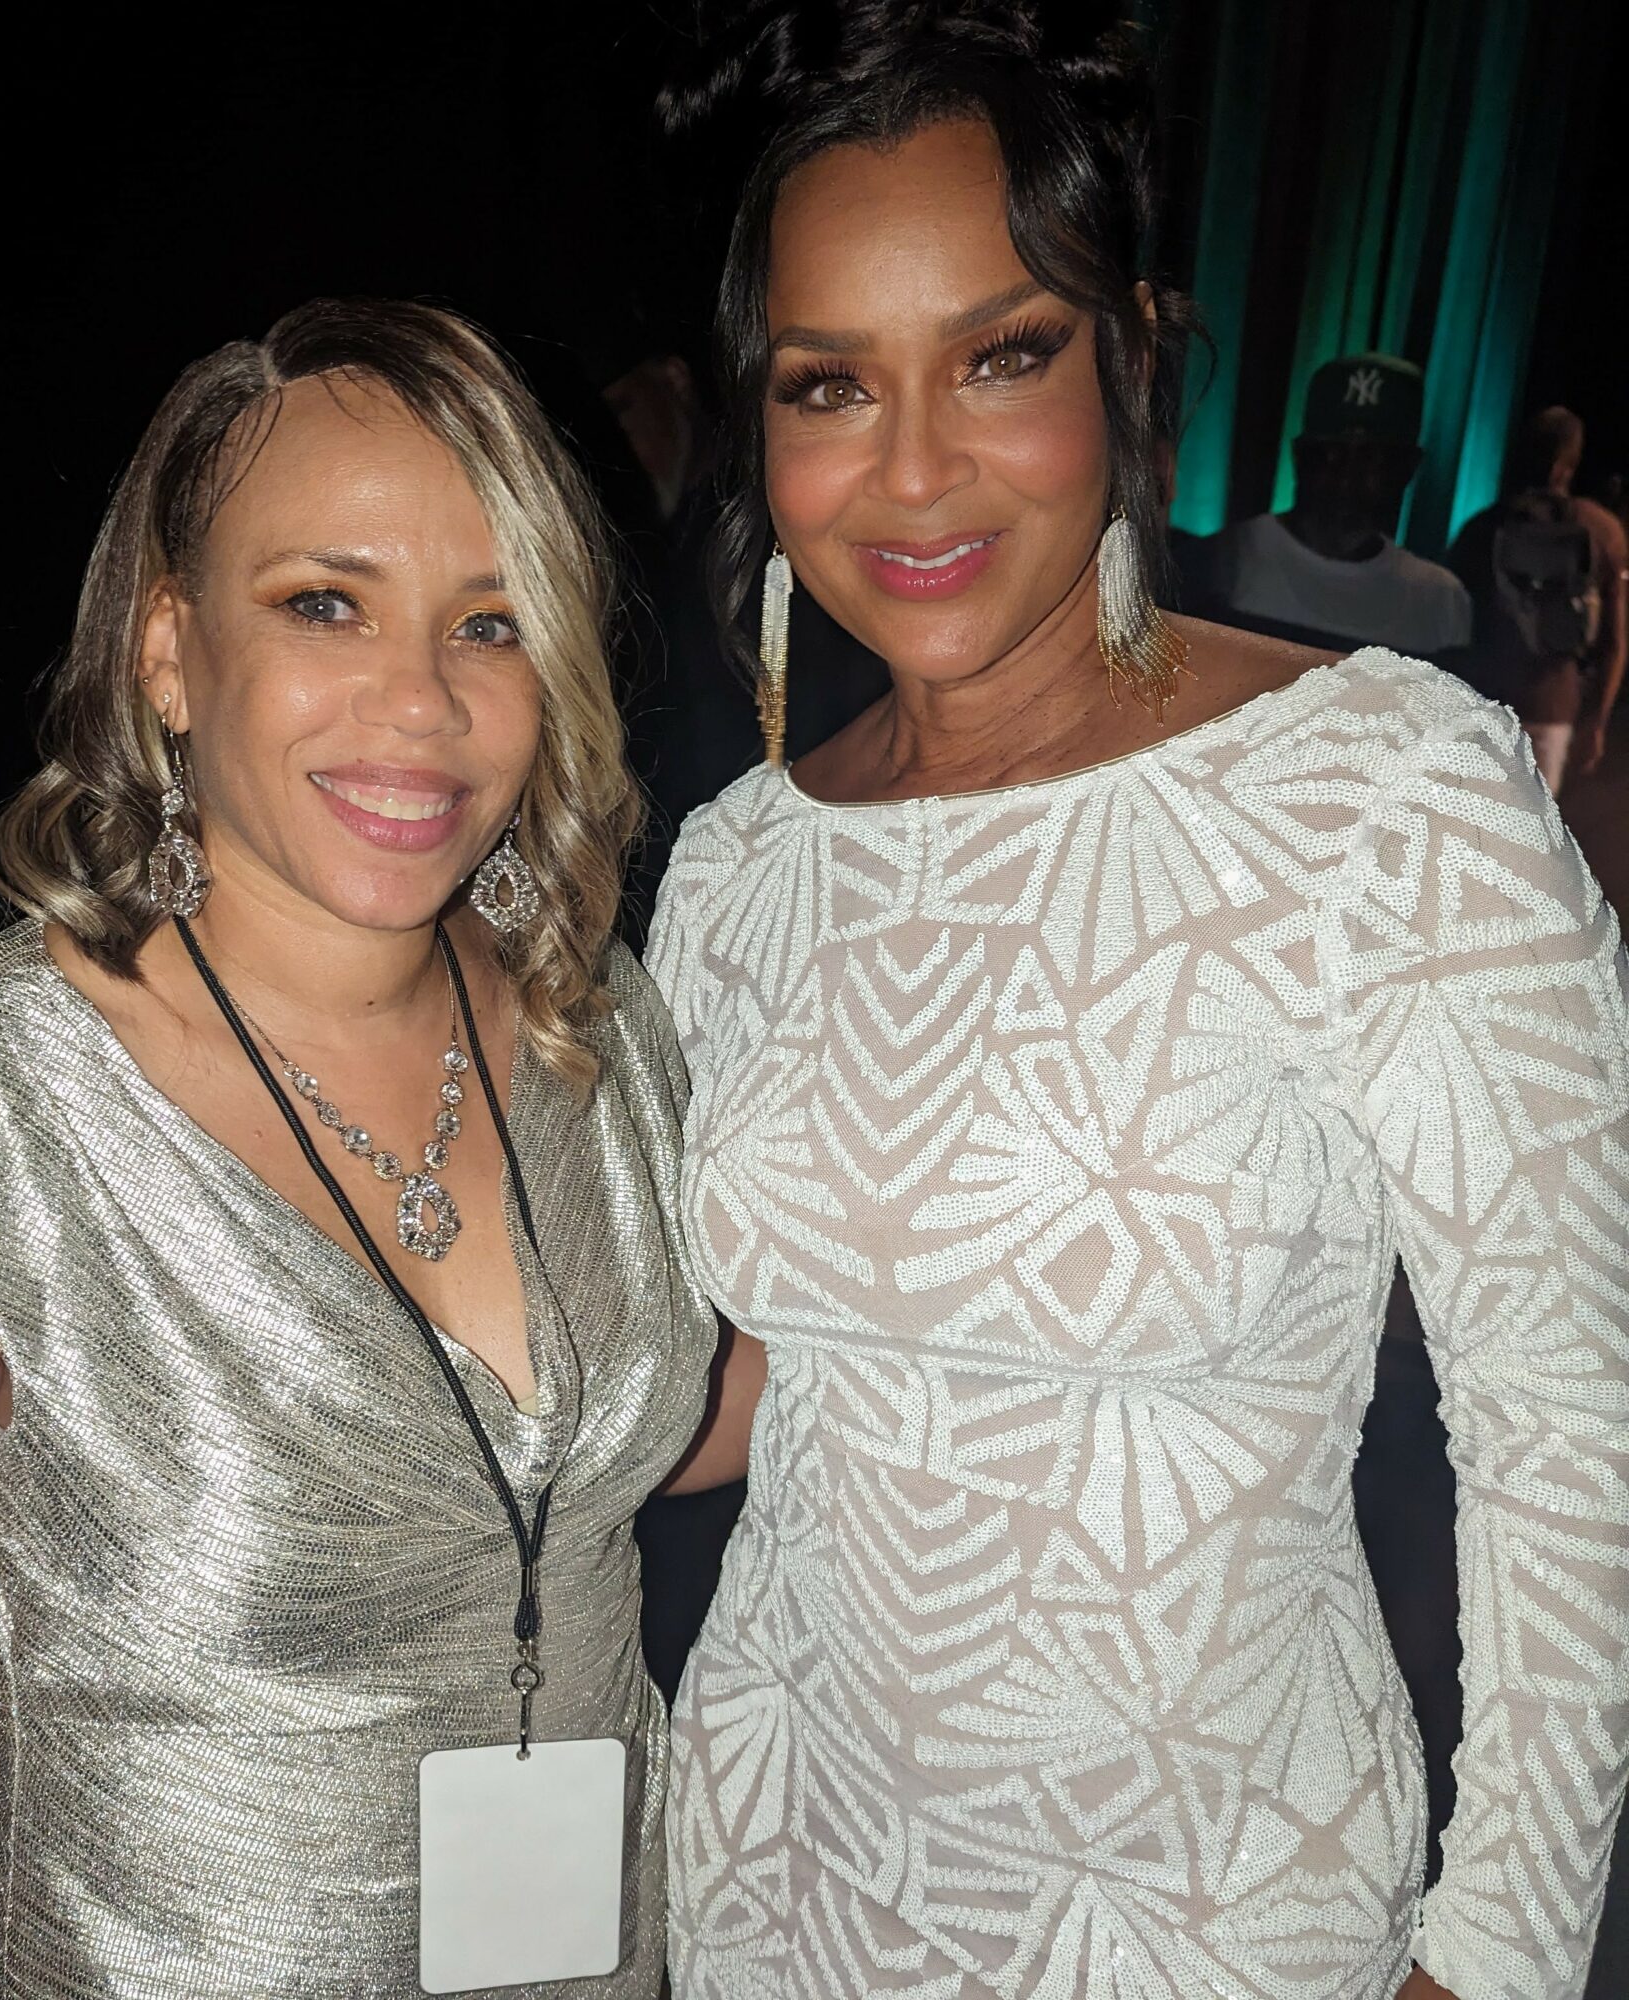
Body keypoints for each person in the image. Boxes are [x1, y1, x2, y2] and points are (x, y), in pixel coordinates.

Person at [649, 7, 1628, 1998]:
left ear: (1129, 359)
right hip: (769, 1884)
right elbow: (769, 1379)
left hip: (1212, 1917)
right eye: (830, 383)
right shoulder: (739, 861)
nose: (909, 468)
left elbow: (1568, 1431)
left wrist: (1498, 1951)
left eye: (999, 355)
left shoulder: (1382, 793)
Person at [0, 299, 716, 1999]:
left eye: (489, 622)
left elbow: (617, 1433)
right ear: (165, 648)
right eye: (325, 603)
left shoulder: (601, 1023)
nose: (419, 698)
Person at [1176, 352, 1473, 660]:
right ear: (1300, 456)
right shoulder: (1220, 564)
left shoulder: (1440, 601)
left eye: (1371, 459)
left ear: (1408, 467)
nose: (1347, 476)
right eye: (1330, 455)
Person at [1447, 405, 1628, 796]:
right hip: (1552, 707)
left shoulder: (1484, 526)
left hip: (1482, 699)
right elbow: (1614, 643)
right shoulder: (1602, 531)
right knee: (1527, 828)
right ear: (1571, 463)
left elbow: (1449, 624)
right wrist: (1596, 723)